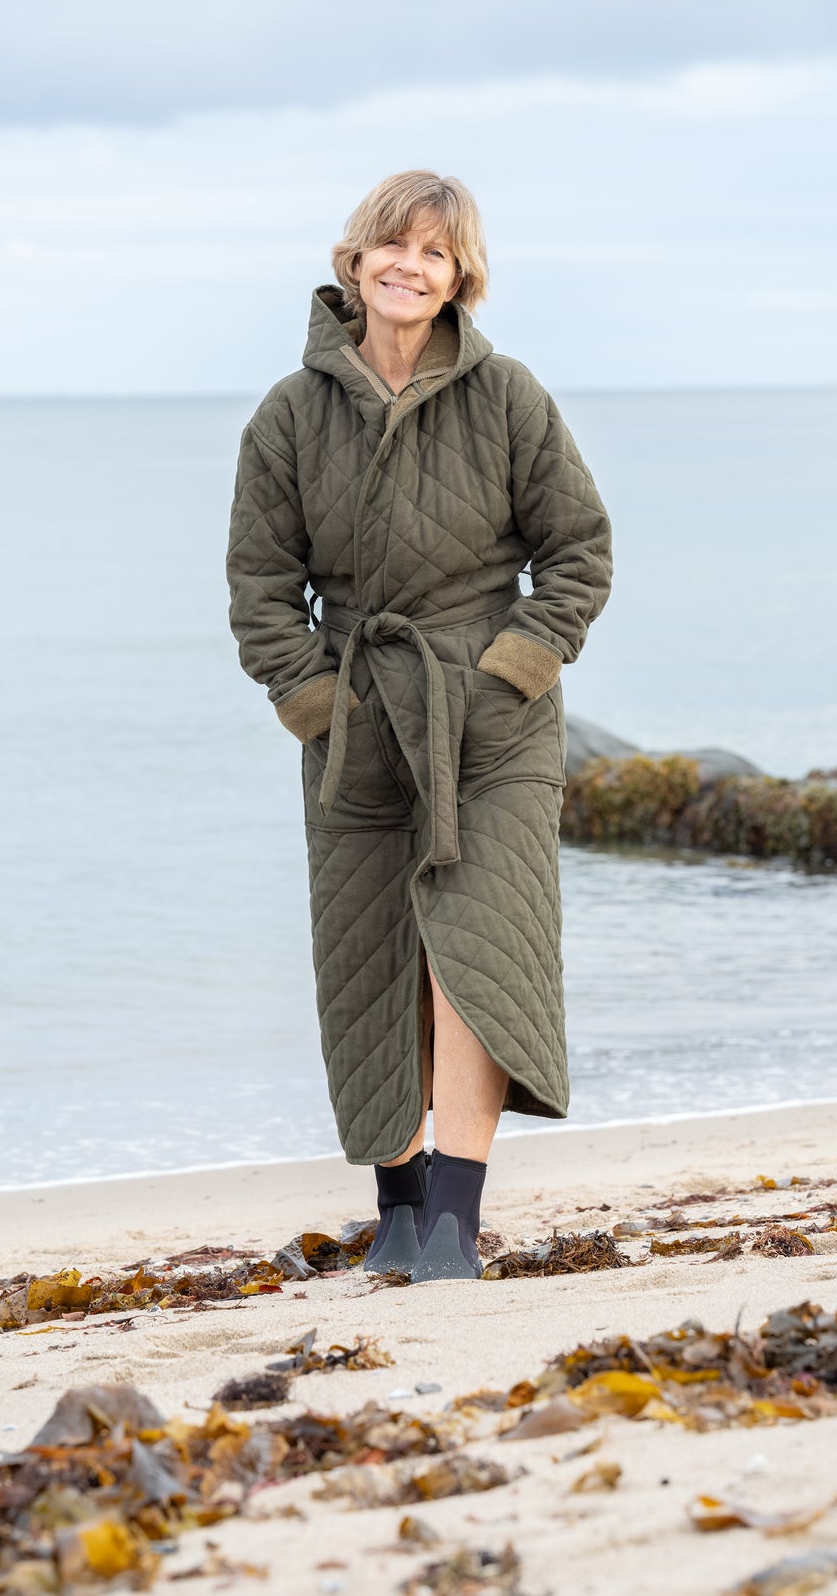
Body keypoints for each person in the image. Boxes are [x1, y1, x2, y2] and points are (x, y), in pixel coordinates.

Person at [226, 171, 612, 1281]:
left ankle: (453, 1216)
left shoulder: (508, 398)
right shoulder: (288, 415)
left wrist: (513, 669)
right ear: (355, 260)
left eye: (433, 254)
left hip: (489, 722)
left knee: (473, 953)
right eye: (392, 246)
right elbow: (259, 586)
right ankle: (394, 1210)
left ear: (459, 279)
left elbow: (576, 549)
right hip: (355, 722)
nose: (409, 266)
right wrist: (314, 703)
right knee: (369, 958)